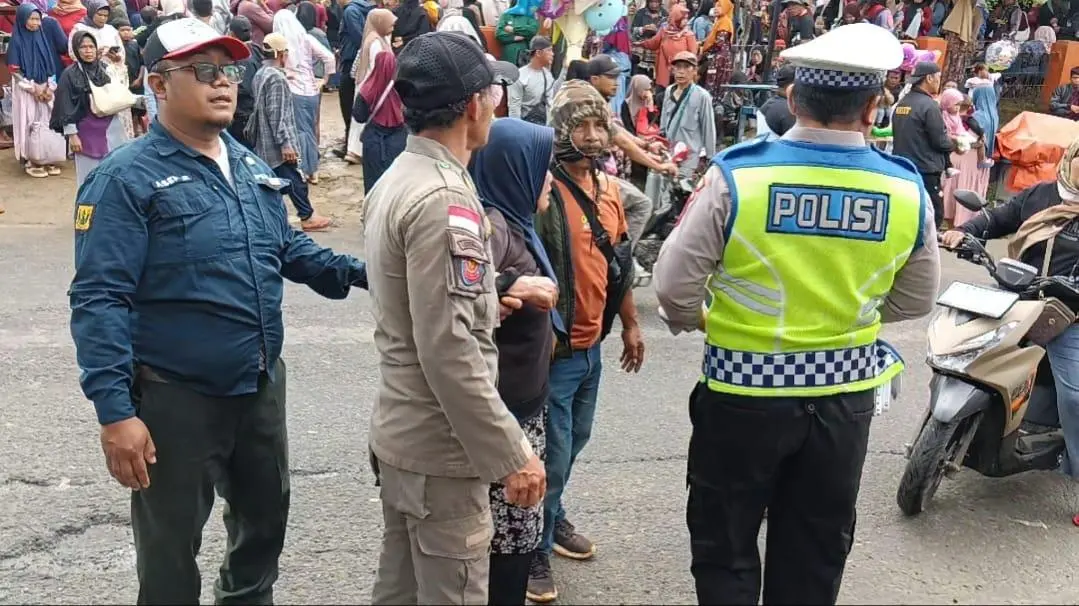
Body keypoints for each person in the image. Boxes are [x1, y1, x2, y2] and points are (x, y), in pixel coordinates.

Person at [68, 17, 368, 604]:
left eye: (228, 70)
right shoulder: (123, 180)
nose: (223, 83)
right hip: (176, 398)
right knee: (170, 552)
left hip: (258, 385)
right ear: (158, 83)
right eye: (203, 71)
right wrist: (114, 412)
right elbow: (99, 298)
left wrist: (375, 274)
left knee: (264, 527)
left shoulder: (249, 165)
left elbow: (289, 249)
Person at [653, 23, 940, 605]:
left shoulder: (739, 175)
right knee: (814, 555)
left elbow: (673, 289)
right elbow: (915, 300)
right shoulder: (907, 191)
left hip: (741, 396)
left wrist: (706, 321)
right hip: (842, 405)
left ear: (791, 99)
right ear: (872, 107)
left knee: (726, 546)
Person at [364, 31, 548, 605]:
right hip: (441, 451)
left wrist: (488, 299)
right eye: (493, 93)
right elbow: (450, 351)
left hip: (405, 434)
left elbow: (421, 303)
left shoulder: (398, 176)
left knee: (400, 591)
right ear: (474, 105)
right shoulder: (445, 197)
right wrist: (511, 452)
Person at [529, 80, 646, 604]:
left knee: (574, 442)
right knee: (551, 454)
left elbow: (617, 263)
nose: (596, 137)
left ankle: (550, 517)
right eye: (583, 126)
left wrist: (632, 324)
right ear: (561, 131)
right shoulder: (544, 192)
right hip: (556, 351)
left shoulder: (609, 191)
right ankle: (533, 547)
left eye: (601, 125)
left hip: (593, 348)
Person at [940, 139, 1079, 526]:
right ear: (1070, 159)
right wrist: (965, 232)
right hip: (1016, 297)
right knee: (967, 349)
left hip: (1070, 312)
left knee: (1076, 396)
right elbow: (999, 217)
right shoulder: (1042, 195)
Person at [469, 117, 561, 606]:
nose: (549, 178)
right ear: (514, 170)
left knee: (513, 544)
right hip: (505, 422)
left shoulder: (518, 221)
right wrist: (504, 287)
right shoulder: (494, 228)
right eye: (541, 168)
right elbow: (459, 297)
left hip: (524, 408)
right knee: (504, 555)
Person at [248, 32, 332, 231]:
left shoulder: (261, 73)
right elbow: (277, 114)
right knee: (295, 180)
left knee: (275, 182)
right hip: (278, 142)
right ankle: (307, 216)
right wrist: (286, 143)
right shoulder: (276, 78)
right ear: (281, 54)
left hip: (265, 140)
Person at [50, 30, 133, 187]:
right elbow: (65, 105)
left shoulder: (104, 69)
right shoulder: (69, 75)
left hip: (112, 129)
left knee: (114, 176)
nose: (88, 51)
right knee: (89, 180)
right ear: (76, 49)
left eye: (91, 47)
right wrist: (72, 135)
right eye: (83, 47)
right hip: (87, 134)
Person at [272, 9, 335, 184]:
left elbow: (275, 66)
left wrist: (285, 73)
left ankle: (305, 169)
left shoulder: (279, 43)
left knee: (299, 131)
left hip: (294, 90)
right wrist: (324, 80)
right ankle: (313, 169)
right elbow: (329, 58)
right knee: (310, 129)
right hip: (311, 90)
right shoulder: (306, 39)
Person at [7, 3, 68, 178]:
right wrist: (34, 88)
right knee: (28, 122)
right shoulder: (17, 40)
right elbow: (15, 71)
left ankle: (46, 156)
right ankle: (31, 159)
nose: (36, 23)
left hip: (46, 90)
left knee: (47, 122)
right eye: (32, 19)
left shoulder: (41, 38)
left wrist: (50, 87)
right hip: (26, 91)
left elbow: (51, 65)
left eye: (38, 19)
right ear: (22, 19)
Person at [892, 60, 953, 228]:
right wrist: (956, 143)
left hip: (903, 168)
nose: (939, 82)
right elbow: (940, 141)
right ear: (929, 78)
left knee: (908, 214)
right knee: (934, 215)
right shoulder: (929, 106)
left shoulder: (902, 104)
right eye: (938, 77)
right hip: (926, 170)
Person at [344, 7, 395, 164]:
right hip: (372, 86)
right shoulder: (375, 42)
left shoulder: (376, 38)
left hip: (369, 85)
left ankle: (356, 150)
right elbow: (376, 67)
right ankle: (358, 151)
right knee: (366, 117)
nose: (392, 27)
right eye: (390, 24)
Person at [354, 51, 407, 193]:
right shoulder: (404, 89)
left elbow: (359, 116)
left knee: (373, 184)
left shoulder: (368, 88)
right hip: (399, 141)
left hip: (374, 142)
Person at [659, 50, 715, 179]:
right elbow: (664, 119)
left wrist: (710, 157)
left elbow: (708, 128)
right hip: (669, 153)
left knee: (682, 191)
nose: (681, 71)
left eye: (686, 67)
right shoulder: (669, 91)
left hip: (689, 157)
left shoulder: (702, 96)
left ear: (695, 70)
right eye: (678, 67)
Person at [334, 0, 375, 157]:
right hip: (357, 60)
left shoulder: (350, 11)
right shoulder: (365, 9)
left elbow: (359, 37)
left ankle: (350, 146)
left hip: (351, 61)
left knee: (348, 104)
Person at [225, 15, 264, 148]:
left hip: (243, 114)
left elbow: (238, 86)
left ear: (232, 34)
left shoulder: (237, 57)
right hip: (256, 110)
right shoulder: (257, 50)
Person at [639, 2, 696, 89]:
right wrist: (641, 43)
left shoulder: (688, 35)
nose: (686, 21)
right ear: (675, 18)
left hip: (681, 74)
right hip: (664, 71)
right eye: (683, 18)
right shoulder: (664, 31)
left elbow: (693, 56)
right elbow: (653, 43)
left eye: (686, 18)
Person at [507, 36, 554, 123]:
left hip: (544, 125)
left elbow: (550, 102)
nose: (552, 54)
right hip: (526, 124)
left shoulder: (547, 74)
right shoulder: (519, 76)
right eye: (549, 50)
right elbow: (514, 108)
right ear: (539, 53)